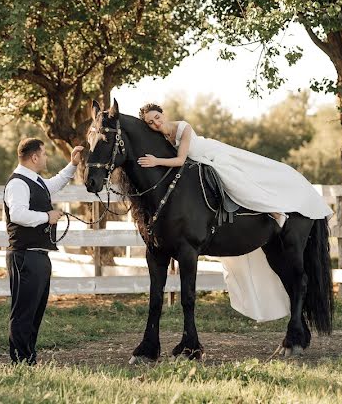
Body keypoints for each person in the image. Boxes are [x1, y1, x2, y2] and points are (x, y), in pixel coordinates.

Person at [137, 103, 332, 322]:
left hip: (211, 156)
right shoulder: (162, 137)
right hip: (200, 163)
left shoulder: (183, 127)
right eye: (150, 123)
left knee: (235, 184)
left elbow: (181, 160)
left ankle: (275, 210)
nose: (156, 123)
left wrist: (155, 161)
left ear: (162, 113)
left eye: (156, 117)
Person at [3, 137, 84, 365]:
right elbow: (18, 214)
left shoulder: (35, 181)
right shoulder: (18, 183)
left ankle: (29, 358)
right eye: (45, 153)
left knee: (35, 311)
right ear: (34, 157)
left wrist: (73, 164)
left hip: (38, 255)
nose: (47, 157)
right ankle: (20, 361)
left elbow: (55, 184)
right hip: (25, 255)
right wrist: (47, 217)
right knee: (24, 312)